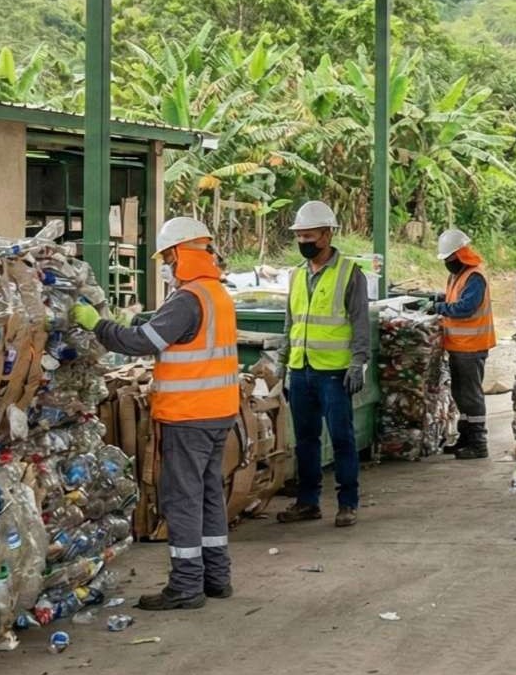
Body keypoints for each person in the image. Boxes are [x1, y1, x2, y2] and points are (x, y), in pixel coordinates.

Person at [73, 217, 237, 610]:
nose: (164, 265)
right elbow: (173, 333)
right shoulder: (215, 294)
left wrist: (99, 325)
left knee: (182, 499)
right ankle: (217, 577)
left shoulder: (187, 298)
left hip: (189, 415)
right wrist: (137, 319)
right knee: (209, 495)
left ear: (181, 254)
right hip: (219, 413)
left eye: (166, 257)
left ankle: (185, 586)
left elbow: (140, 343)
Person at [276, 200, 370, 528]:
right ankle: (308, 502)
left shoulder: (350, 274)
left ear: (328, 234)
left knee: (342, 438)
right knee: (305, 440)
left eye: (310, 236)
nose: (304, 242)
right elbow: (290, 324)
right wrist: (282, 365)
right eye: (299, 237)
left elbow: (361, 324)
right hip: (300, 371)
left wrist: (358, 363)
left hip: (334, 372)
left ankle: (348, 503)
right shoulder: (296, 276)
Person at [433, 227, 494, 461]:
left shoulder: (474, 276)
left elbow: (466, 308)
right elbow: (454, 299)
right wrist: (438, 299)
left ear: (459, 255)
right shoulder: (457, 275)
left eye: (449, 259)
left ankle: (479, 443)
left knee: (471, 396)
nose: (447, 263)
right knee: (461, 395)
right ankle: (466, 438)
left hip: (472, 346)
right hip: (459, 345)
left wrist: (439, 308)